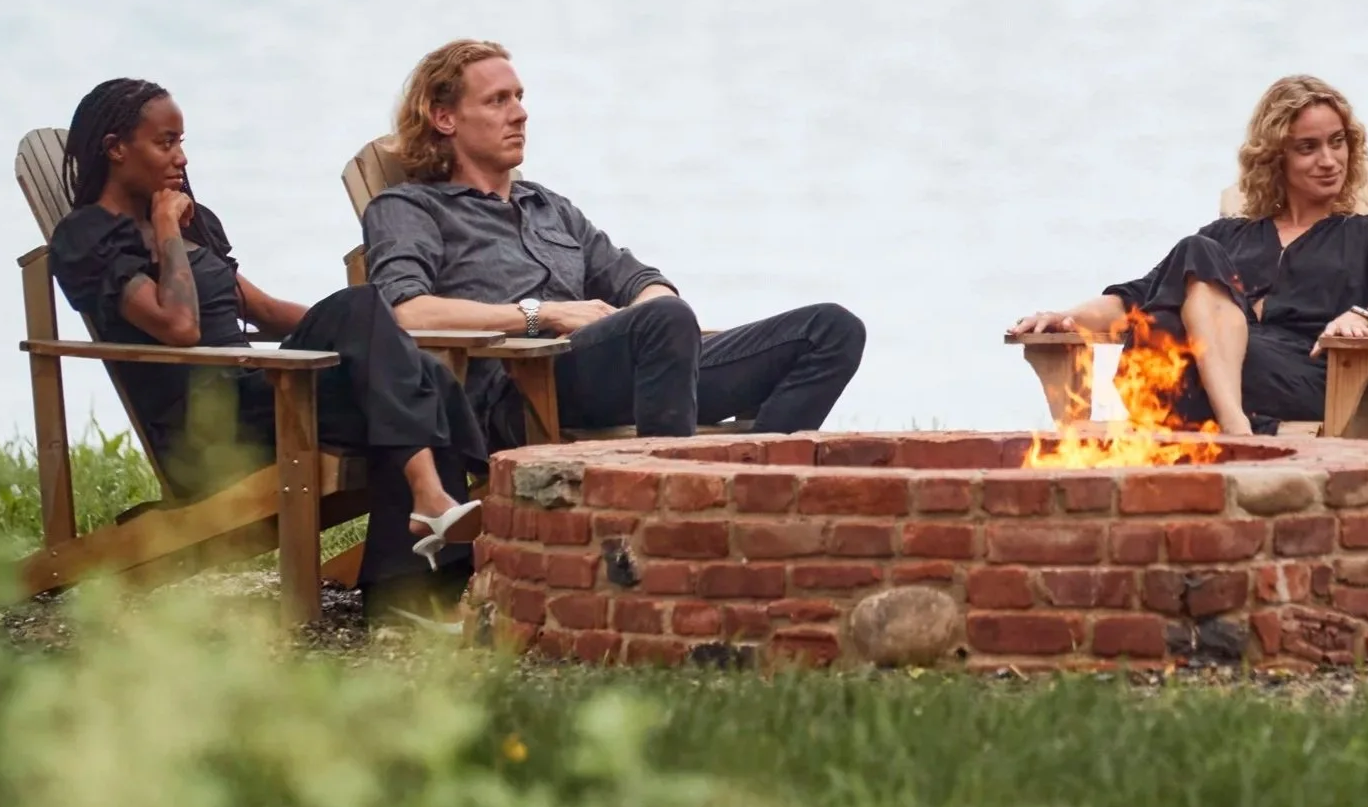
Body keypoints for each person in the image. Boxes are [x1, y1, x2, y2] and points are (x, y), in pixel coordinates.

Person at [47, 78, 489, 594]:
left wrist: (380, 337)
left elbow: (265, 310)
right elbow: (180, 327)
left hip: (262, 399)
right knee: (371, 320)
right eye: (165, 143)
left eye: (181, 142)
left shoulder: (194, 221)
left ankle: (408, 594)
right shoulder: (88, 238)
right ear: (116, 148)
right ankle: (440, 498)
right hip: (209, 429)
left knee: (418, 371)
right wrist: (165, 229)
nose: (181, 158)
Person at [361, 39, 865, 442]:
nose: (520, 114)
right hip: (524, 391)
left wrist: (657, 314)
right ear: (444, 118)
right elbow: (406, 312)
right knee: (664, 320)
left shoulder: (549, 207)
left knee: (830, 330)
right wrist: (543, 314)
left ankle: (752, 486)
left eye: (519, 97)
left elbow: (641, 281)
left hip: (634, 372)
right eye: (497, 101)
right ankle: (669, 502)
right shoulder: (410, 208)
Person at [1011, 74, 1368, 435]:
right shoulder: (1229, 236)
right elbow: (1135, 298)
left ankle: (1233, 428)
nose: (1329, 160)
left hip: (1302, 376)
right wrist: (1065, 318)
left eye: (1337, 142)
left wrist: (1364, 318)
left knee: (1179, 307)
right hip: (1195, 380)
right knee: (1175, 289)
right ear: (1276, 158)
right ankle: (1236, 427)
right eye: (1308, 148)